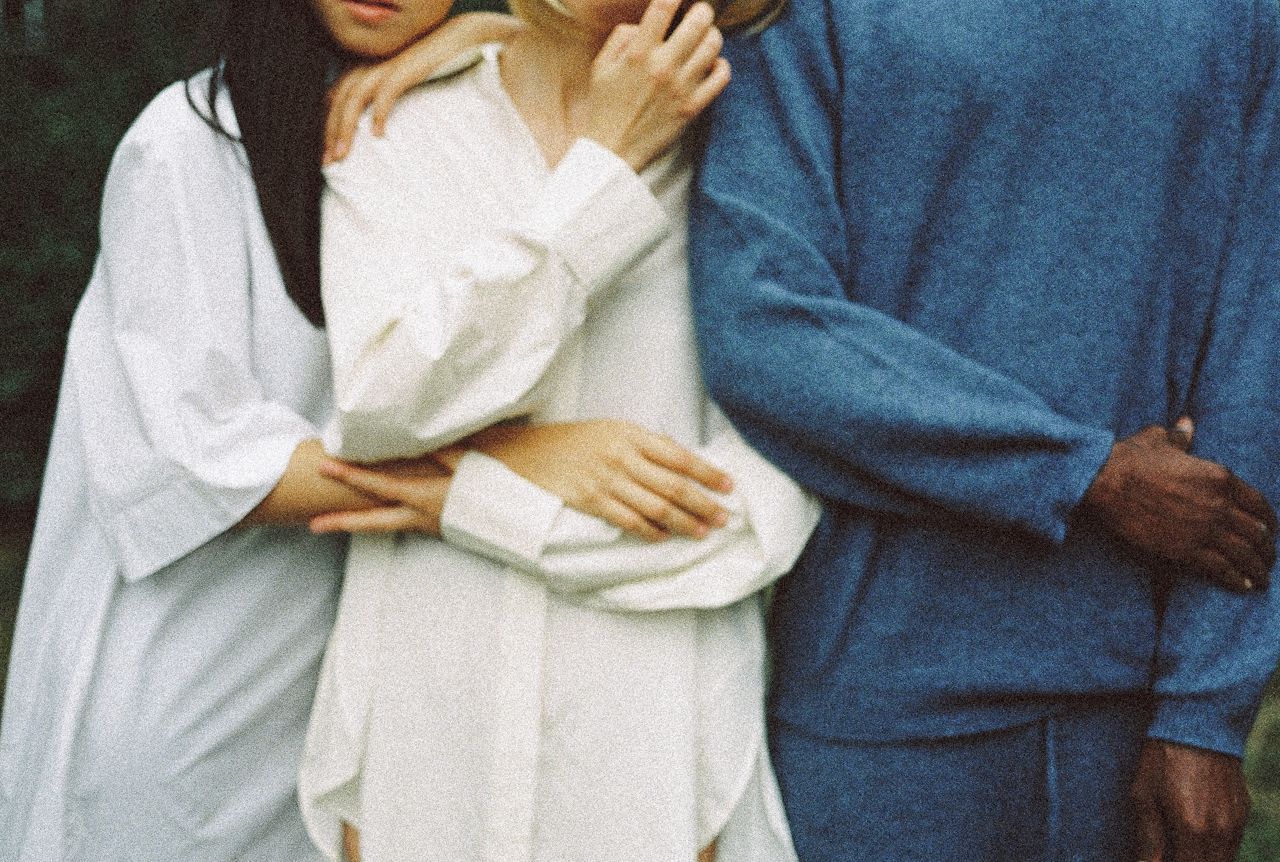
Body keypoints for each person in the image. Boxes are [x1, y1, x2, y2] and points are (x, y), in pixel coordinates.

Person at [0, 3, 743, 858]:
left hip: (354, 664)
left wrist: (488, 35)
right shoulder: (190, 140)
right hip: (202, 663)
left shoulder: (428, 110)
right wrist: (513, 460)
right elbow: (198, 464)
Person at [690, 0, 1280, 860]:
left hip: (1135, 711)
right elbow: (762, 323)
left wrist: (1206, 708)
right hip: (877, 704)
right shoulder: (799, 11)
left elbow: (1255, 340)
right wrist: (1082, 474)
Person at [292, 0, 821, 858]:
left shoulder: (757, 153)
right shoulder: (398, 125)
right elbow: (382, 399)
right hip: (418, 758)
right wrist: (601, 177)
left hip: (654, 768)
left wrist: (474, 501)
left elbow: (756, 519)